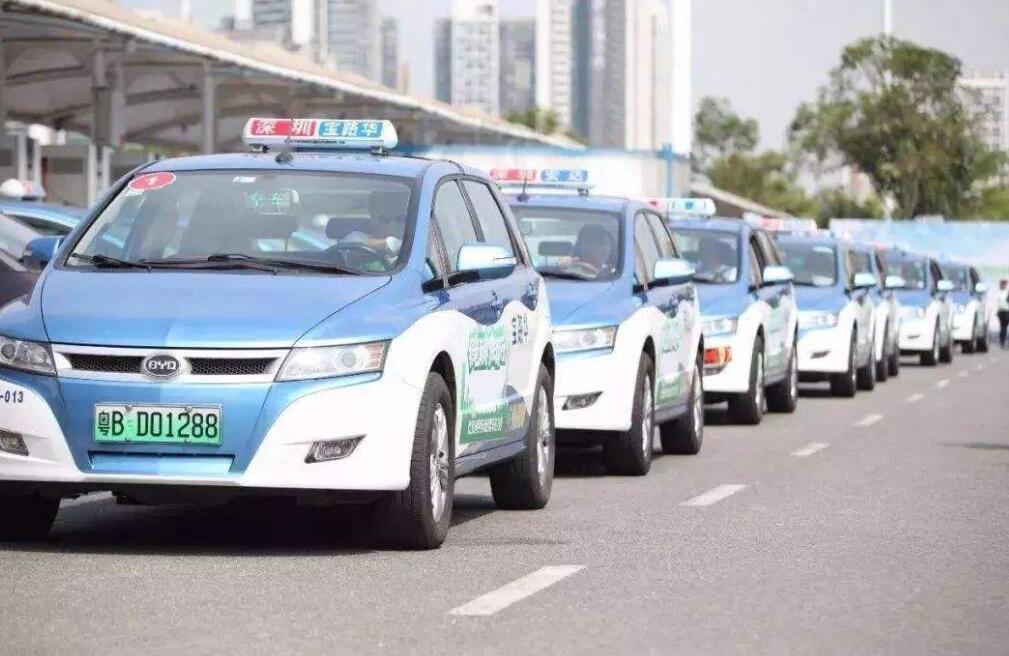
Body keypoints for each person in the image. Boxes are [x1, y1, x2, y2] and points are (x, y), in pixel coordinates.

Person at [998, 279, 1009, 349]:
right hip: (1000, 312)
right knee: (1003, 327)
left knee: (1004, 327)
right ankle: (1002, 341)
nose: (1003, 285)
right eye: (1003, 284)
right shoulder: (998, 292)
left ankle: (1003, 341)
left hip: (1007, 311)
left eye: (1004, 284)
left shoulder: (1006, 292)